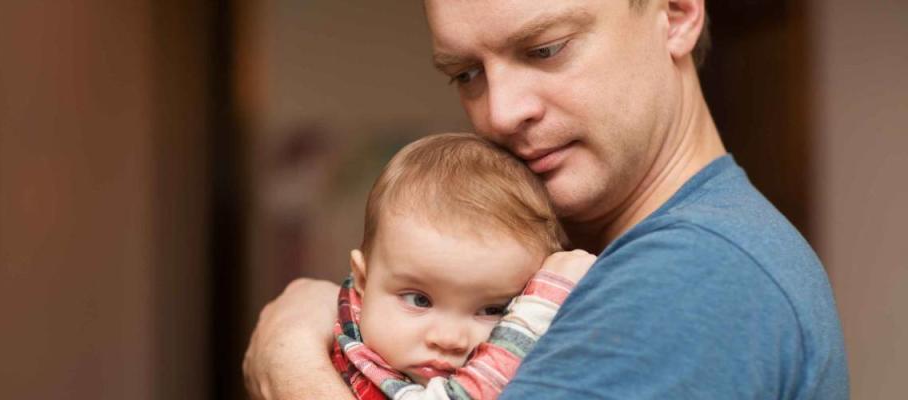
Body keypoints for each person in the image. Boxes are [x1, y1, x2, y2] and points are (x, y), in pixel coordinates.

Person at [244, 0, 850, 398]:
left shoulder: (691, 273)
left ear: (675, 11)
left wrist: (290, 360)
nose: (501, 113)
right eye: (466, 74)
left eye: (544, 49)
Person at [330, 133, 594, 399]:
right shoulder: (336, 341)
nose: (449, 340)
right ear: (362, 280)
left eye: (493, 309)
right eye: (419, 300)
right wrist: (544, 302)